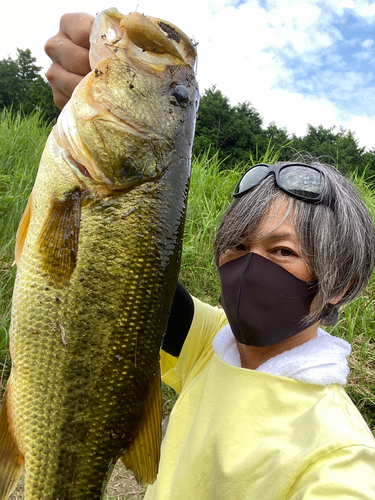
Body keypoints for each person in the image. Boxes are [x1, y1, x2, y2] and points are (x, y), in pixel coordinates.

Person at [45, 14, 375, 498]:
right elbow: (121, 280)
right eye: (239, 246)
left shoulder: (339, 456)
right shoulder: (212, 343)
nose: (249, 265)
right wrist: (107, 97)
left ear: (340, 282)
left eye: (281, 250)